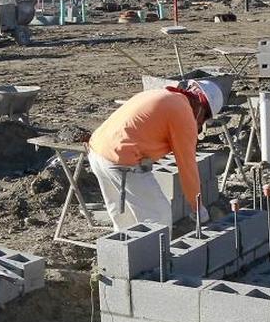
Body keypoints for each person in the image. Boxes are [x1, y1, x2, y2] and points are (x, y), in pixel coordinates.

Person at [88, 81, 224, 231]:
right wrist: (197, 207)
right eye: (203, 119)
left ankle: (125, 253)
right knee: (159, 217)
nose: (199, 124)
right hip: (121, 161)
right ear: (201, 108)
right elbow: (187, 167)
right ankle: (155, 254)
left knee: (124, 219)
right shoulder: (183, 113)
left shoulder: (161, 94)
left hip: (97, 152)